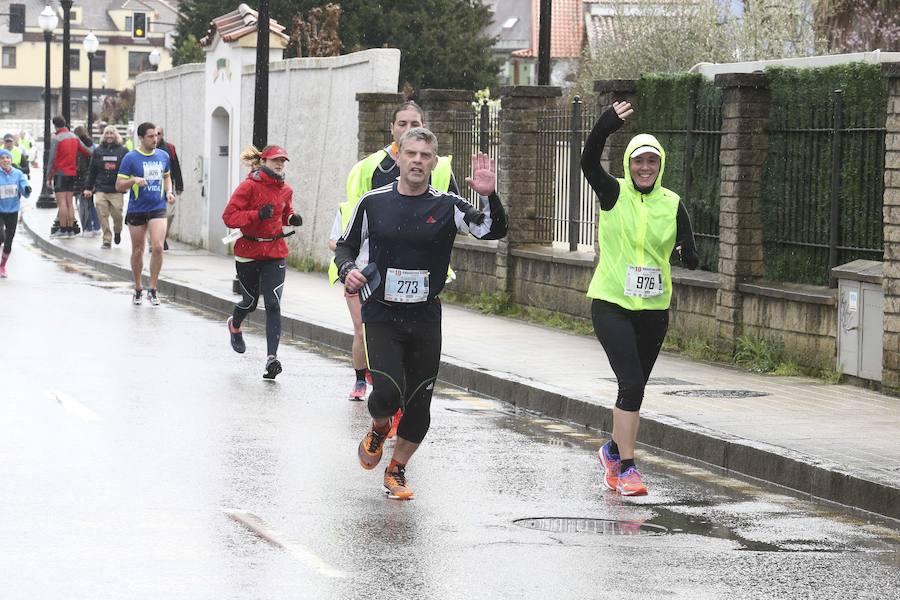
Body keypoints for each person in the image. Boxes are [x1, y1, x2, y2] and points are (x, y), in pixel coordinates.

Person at [335, 127, 508, 500]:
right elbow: (345, 247)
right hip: (380, 312)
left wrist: (490, 195)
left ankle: (397, 469)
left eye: (425, 156)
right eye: (411, 154)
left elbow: (492, 230)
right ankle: (379, 427)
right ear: (398, 157)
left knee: (420, 400)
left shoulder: (447, 205)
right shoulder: (373, 202)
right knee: (387, 391)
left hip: (425, 315)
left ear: (433, 162)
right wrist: (347, 269)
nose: (417, 161)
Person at [580, 101, 699, 497]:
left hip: (654, 310)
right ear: (630, 165)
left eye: (651, 161)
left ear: (659, 164)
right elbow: (588, 162)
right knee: (630, 382)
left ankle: (613, 450)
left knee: (634, 390)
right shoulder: (614, 193)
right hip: (612, 303)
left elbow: (687, 243)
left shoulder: (672, 202)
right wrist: (606, 124)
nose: (645, 168)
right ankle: (627, 468)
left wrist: (689, 254)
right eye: (638, 162)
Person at [329, 100, 461, 404]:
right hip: (368, 275)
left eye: (415, 124)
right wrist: (350, 267)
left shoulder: (439, 170)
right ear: (392, 129)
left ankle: (395, 401)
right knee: (364, 331)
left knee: (408, 352)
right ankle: (364, 381)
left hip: (421, 280)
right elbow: (350, 218)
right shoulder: (370, 168)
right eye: (402, 124)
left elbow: (454, 214)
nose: (409, 129)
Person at [222, 145, 302, 380]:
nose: (280, 164)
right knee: (249, 301)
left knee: (274, 304)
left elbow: (284, 213)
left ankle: (271, 359)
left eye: (283, 161)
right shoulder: (249, 186)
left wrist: (291, 218)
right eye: (276, 160)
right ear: (264, 161)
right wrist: (257, 214)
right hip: (249, 250)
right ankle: (235, 325)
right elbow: (229, 217)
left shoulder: (286, 189)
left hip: (275, 251)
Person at [116, 122, 175, 306]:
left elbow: (166, 176)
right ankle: (138, 287)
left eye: (156, 135)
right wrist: (133, 180)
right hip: (137, 208)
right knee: (138, 250)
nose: (155, 139)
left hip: (158, 207)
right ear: (141, 138)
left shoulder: (163, 155)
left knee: (158, 247)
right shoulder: (130, 158)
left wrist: (168, 192)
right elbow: (118, 185)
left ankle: (153, 288)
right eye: (150, 136)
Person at [84, 125, 128, 249]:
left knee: (117, 215)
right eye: (107, 133)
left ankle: (117, 231)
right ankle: (107, 239)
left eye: (112, 133)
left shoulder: (123, 151)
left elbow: (129, 168)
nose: (109, 136)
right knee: (102, 214)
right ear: (104, 135)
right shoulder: (98, 151)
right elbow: (92, 170)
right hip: (101, 188)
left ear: (116, 135)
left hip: (116, 189)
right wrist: (88, 187)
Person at [47, 116, 91, 238]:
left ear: (55, 125)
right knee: (69, 202)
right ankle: (71, 229)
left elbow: (52, 159)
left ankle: (63, 229)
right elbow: (88, 151)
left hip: (60, 173)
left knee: (62, 203)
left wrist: (48, 177)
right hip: (72, 174)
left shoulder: (57, 138)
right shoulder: (74, 137)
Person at [0, 148, 32, 278]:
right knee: (0, 236)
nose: (5, 160)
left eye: (7, 158)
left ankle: (2, 266)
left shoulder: (18, 174)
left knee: (9, 240)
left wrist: (26, 189)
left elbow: (25, 189)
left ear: (11, 160)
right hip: (0, 211)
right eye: (2, 158)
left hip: (13, 211)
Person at [156, 127, 184, 251]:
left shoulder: (169, 148)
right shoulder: (144, 150)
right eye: (153, 135)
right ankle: (154, 242)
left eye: (158, 134)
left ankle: (162, 238)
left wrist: (179, 185)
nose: (155, 137)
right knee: (152, 216)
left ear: (162, 135)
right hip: (151, 187)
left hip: (167, 186)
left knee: (169, 214)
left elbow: (176, 166)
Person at [73, 126, 100, 237]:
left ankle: (88, 228)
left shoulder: (78, 147)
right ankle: (97, 227)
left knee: (83, 205)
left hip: (81, 179)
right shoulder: (92, 145)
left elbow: (80, 166)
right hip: (92, 177)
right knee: (90, 203)